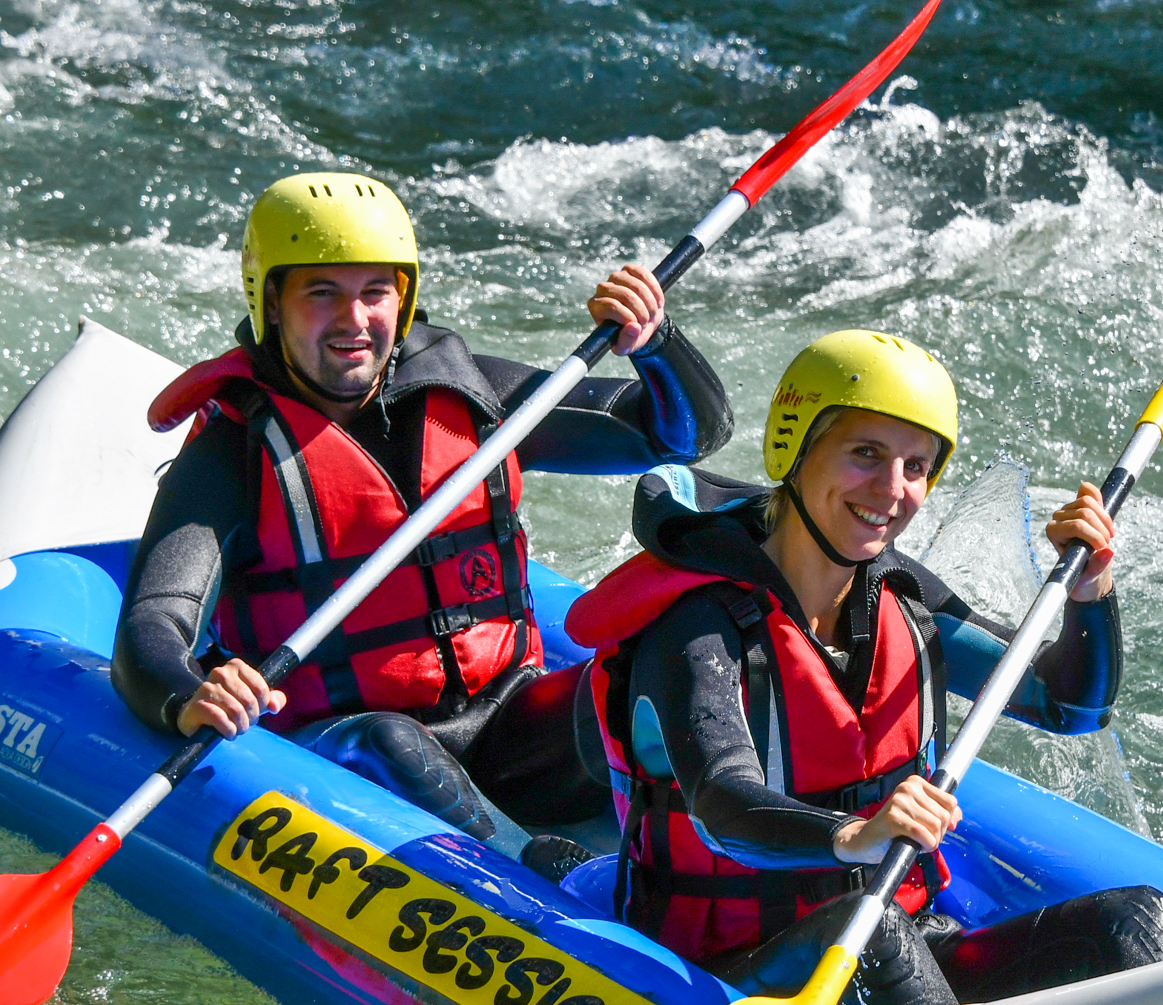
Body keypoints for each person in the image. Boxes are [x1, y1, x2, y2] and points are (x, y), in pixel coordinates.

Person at [567, 329, 1163, 1005]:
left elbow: (1068, 705)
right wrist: (854, 834)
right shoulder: (695, 627)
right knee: (869, 931)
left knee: (1133, 919)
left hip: (889, 939)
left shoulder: (903, 598)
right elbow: (723, 803)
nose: (893, 491)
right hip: (725, 971)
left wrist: (1089, 595)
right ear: (794, 451)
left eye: (917, 467)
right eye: (866, 454)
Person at [113, 171, 733, 857]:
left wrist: (656, 342)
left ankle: (727, 855)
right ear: (271, 303)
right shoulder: (232, 453)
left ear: (402, 300)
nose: (354, 321)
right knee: (390, 741)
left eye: (375, 292)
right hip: (346, 748)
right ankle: (540, 879)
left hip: (509, 720)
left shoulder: (472, 395)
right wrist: (193, 693)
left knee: (658, 665)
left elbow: (681, 434)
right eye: (322, 293)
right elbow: (152, 626)